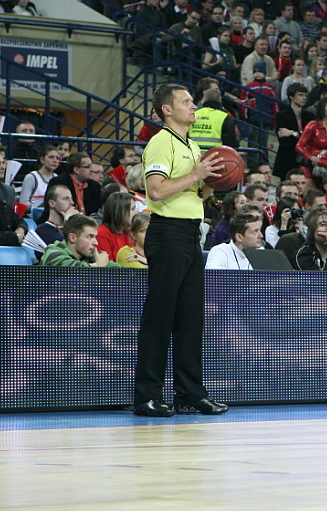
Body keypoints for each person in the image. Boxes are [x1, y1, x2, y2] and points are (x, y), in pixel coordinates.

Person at [133, 83, 228, 417]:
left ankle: (190, 393)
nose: (194, 106)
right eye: (186, 102)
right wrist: (196, 174)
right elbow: (157, 191)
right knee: (160, 316)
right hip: (167, 232)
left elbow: (197, 194)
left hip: (190, 234)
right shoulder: (161, 142)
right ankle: (146, 395)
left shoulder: (193, 145)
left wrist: (210, 182)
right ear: (167, 110)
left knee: (190, 318)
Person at [40, 214, 120, 267]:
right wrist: (98, 265)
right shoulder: (53, 252)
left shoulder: (87, 255)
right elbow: (72, 271)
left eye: (95, 237)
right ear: (72, 238)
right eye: (90, 237)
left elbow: (117, 268)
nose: (96, 242)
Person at [24, 184, 78, 257]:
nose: (72, 202)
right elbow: (67, 249)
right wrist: (69, 221)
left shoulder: (73, 228)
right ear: (52, 203)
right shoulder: (43, 230)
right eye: (66, 198)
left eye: (71, 198)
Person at [188, 86, 239, 151]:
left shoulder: (192, 114)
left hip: (194, 154)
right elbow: (231, 142)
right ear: (219, 99)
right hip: (215, 155)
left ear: (205, 99)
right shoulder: (225, 117)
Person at [96, 192, 135, 260]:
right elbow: (106, 263)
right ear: (120, 212)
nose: (136, 212)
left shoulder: (130, 232)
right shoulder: (101, 234)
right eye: (132, 209)